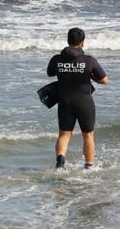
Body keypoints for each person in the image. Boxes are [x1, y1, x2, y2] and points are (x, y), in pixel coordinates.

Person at [47, 27, 109, 170]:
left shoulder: (56, 59)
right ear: (82, 43)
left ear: (68, 41)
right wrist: (91, 76)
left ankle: (60, 163)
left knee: (64, 134)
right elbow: (105, 80)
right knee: (88, 136)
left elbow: (50, 73)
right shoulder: (89, 60)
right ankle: (89, 166)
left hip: (65, 101)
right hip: (84, 102)